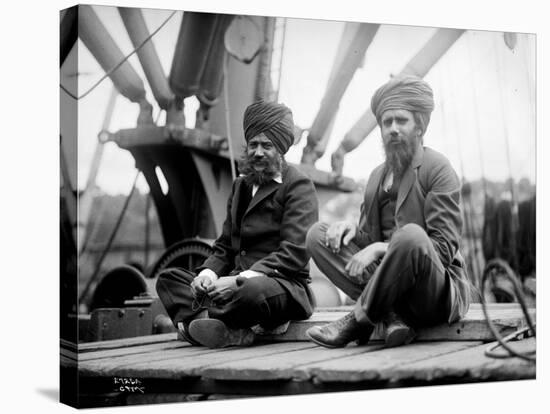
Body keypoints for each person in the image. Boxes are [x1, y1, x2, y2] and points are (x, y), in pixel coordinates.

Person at [305, 75, 471, 348]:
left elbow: (442, 250)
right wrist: (351, 230)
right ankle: (392, 315)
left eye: (401, 121)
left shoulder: (438, 168)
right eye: (386, 122)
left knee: (411, 235)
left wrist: (383, 248)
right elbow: (367, 241)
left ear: (419, 126)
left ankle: (357, 322)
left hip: (431, 290)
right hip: (390, 283)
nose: (393, 128)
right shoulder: (374, 178)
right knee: (317, 234)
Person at [156, 101, 318, 348]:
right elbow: (224, 247)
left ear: (282, 148)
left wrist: (238, 281)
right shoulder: (240, 186)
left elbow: (294, 253)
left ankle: (198, 323)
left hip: (280, 285)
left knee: (250, 293)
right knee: (169, 279)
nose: (258, 152)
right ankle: (222, 326)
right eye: (253, 145)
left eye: (267, 145)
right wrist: (208, 276)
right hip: (233, 282)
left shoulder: (298, 185)